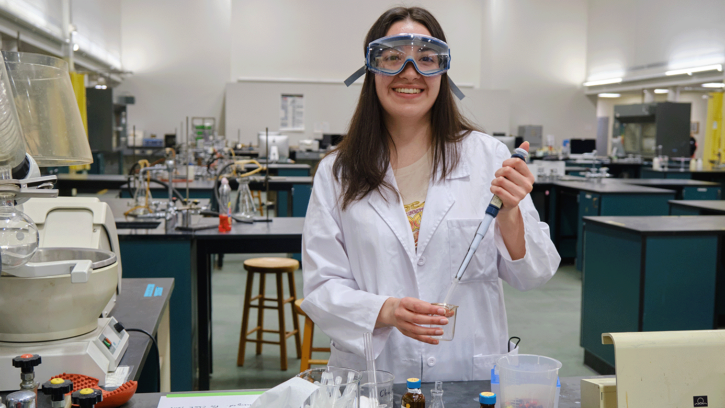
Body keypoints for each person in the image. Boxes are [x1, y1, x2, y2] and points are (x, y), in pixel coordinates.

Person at [301, 6, 560, 382]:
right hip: (375, 374)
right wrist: (386, 311)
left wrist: (510, 213)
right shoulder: (338, 171)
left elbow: (534, 273)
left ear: (443, 72)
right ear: (370, 70)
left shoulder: (488, 157)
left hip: (466, 374)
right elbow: (322, 287)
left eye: (426, 59)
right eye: (392, 58)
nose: (410, 73)